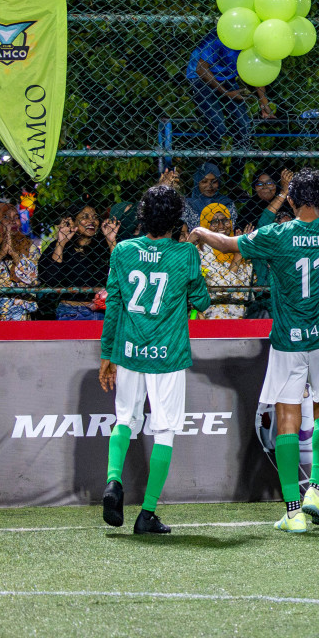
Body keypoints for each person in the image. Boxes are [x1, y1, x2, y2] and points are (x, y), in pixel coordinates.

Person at [190, 128, 319, 533]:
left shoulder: (277, 235)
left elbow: (227, 245)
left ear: (292, 200)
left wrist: (199, 232)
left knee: (287, 416)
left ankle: (294, 510)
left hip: (288, 341)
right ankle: (316, 491)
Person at [97, 182, 212, 534]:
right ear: (177, 220)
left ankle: (114, 481)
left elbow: (114, 304)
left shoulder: (123, 251)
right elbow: (203, 302)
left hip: (129, 350)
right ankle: (146, 514)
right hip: (168, 353)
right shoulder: (185, 255)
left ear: (143, 216)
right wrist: (193, 251)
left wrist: (107, 355)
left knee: (124, 420)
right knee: (164, 431)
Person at [185, 31, 272, 151]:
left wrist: (264, 102)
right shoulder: (219, 39)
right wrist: (225, 93)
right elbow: (201, 69)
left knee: (244, 124)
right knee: (218, 124)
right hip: (200, 76)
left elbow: (256, 72)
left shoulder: (254, 43)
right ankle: (212, 167)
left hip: (226, 77)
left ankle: (237, 165)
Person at [39, 204, 116, 320]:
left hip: (103, 311)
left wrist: (111, 241)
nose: (92, 221)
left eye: (95, 217)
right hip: (71, 312)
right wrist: (61, 243)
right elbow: (51, 279)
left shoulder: (103, 246)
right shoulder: (59, 246)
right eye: (85, 217)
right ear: (72, 222)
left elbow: (120, 273)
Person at [196, 203, 252, 319]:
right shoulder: (202, 250)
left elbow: (249, 280)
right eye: (214, 222)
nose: (221, 226)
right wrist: (239, 254)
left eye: (225, 220)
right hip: (215, 317)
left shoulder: (235, 244)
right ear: (206, 225)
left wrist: (242, 250)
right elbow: (223, 287)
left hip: (244, 316)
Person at [0, 200, 43, 321]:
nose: (12, 221)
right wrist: (0, 255)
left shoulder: (29, 246)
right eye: (6, 217)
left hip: (20, 317)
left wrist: (15, 255)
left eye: (16, 217)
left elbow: (33, 279)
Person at [182, 163, 236, 229]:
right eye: (204, 181)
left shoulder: (227, 203)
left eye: (214, 181)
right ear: (197, 183)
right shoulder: (188, 205)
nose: (210, 186)